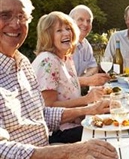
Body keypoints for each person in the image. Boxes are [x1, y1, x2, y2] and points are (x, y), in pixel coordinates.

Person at [0, 0, 118, 159]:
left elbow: (42, 114)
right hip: (48, 152)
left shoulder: (22, 65)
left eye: (21, 17)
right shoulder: (46, 60)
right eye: (5, 15)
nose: (16, 23)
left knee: (116, 145)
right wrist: (70, 151)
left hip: (47, 152)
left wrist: (90, 109)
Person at [32, 11, 107, 143]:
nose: (66, 33)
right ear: (48, 36)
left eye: (68, 29)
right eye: (59, 30)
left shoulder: (65, 58)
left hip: (74, 123)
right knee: (105, 133)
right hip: (57, 132)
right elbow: (48, 109)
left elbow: (66, 85)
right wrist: (87, 99)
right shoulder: (47, 61)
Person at [69, 5, 110, 86]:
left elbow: (93, 68)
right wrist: (87, 80)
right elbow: (63, 81)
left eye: (88, 21)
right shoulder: (64, 45)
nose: (85, 24)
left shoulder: (86, 45)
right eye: (81, 19)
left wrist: (85, 80)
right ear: (70, 22)